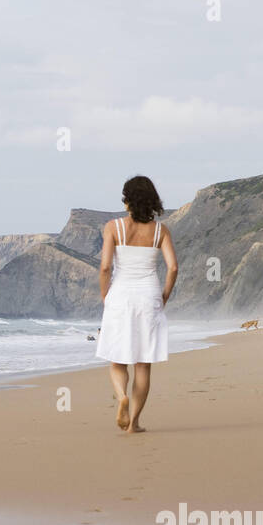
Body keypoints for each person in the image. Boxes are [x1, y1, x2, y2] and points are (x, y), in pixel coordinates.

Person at [96, 176, 178, 432]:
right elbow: (173, 267)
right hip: (149, 296)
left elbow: (106, 267)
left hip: (120, 295)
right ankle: (134, 423)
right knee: (143, 363)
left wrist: (105, 296)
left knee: (117, 360)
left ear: (127, 199)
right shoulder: (160, 231)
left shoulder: (113, 227)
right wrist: (164, 295)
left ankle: (122, 396)